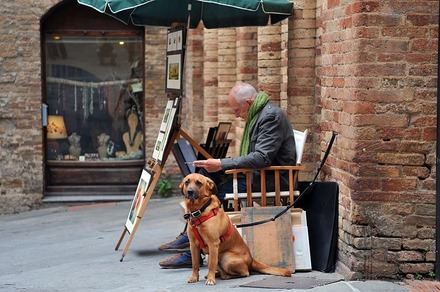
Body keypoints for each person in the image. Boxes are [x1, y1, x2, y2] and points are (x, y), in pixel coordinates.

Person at [158, 82, 297, 268]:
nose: (236, 115)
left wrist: (222, 163)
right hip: (256, 174)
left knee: (217, 191)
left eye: (237, 110)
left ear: (248, 102)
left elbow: (262, 158)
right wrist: (216, 165)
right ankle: (191, 235)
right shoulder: (259, 114)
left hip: (268, 179)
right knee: (203, 173)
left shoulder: (270, 117)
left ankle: (195, 245)